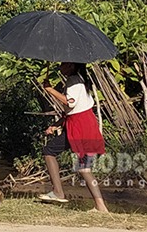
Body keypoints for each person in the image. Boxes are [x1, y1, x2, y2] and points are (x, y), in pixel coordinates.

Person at [38, 62, 109, 212]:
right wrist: (57, 124)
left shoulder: (73, 81)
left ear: (71, 66)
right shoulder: (80, 79)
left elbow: (70, 103)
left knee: (49, 151)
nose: (60, 66)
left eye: (64, 64)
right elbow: (75, 110)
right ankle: (101, 206)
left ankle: (58, 192)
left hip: (79, 127)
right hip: (85, 124)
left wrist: (50, 90)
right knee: (85, 169)